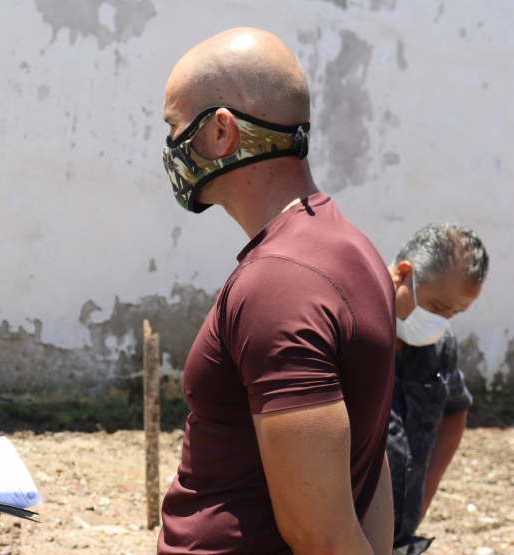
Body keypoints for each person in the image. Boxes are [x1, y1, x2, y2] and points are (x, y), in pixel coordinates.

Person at [157, 28, 396, 554]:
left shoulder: (279, 281)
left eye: (175, 126)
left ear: (221, 132)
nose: (170, 146)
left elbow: (324, 537)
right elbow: (369, 463)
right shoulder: (353, 250)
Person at [386, 224, 488, 555]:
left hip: (398, 541)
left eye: (455, 313)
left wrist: (422, 496)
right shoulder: (352, 332)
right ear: (404, 274)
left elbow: (455, 409)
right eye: (438, 306)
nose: (443, 320)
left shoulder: (439, 345)